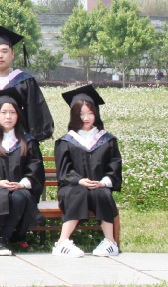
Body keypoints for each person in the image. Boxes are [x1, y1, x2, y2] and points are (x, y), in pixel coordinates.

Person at [0, 88, 46, 256]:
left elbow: (35, 169)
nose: (8, 116)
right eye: (4, 112)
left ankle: (3, 239)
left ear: (18, 115)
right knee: (2, 194)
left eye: (12, 112)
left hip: (20, 188)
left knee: (18, 196)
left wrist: (22, 184)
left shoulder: (27, 141)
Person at [52, 85, 121, 258]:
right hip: (72, 187)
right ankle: (61, 243)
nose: (86, 118)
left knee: (102, 193)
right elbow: (64, 171)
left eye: (90, 113)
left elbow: (114, 168)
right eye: (81, 114)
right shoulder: (66, 141)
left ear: (96, 113)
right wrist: (79, 180)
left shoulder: (107, 140)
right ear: (74, 115)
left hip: (98, 186)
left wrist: (103, 183)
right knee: (80, 192)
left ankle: (110, 242)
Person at [0, 26, 54, 142]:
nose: (0, 55)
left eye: (5, 51)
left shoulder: (25, 82)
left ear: (12, 54)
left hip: (18, 145)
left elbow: (34, 114)